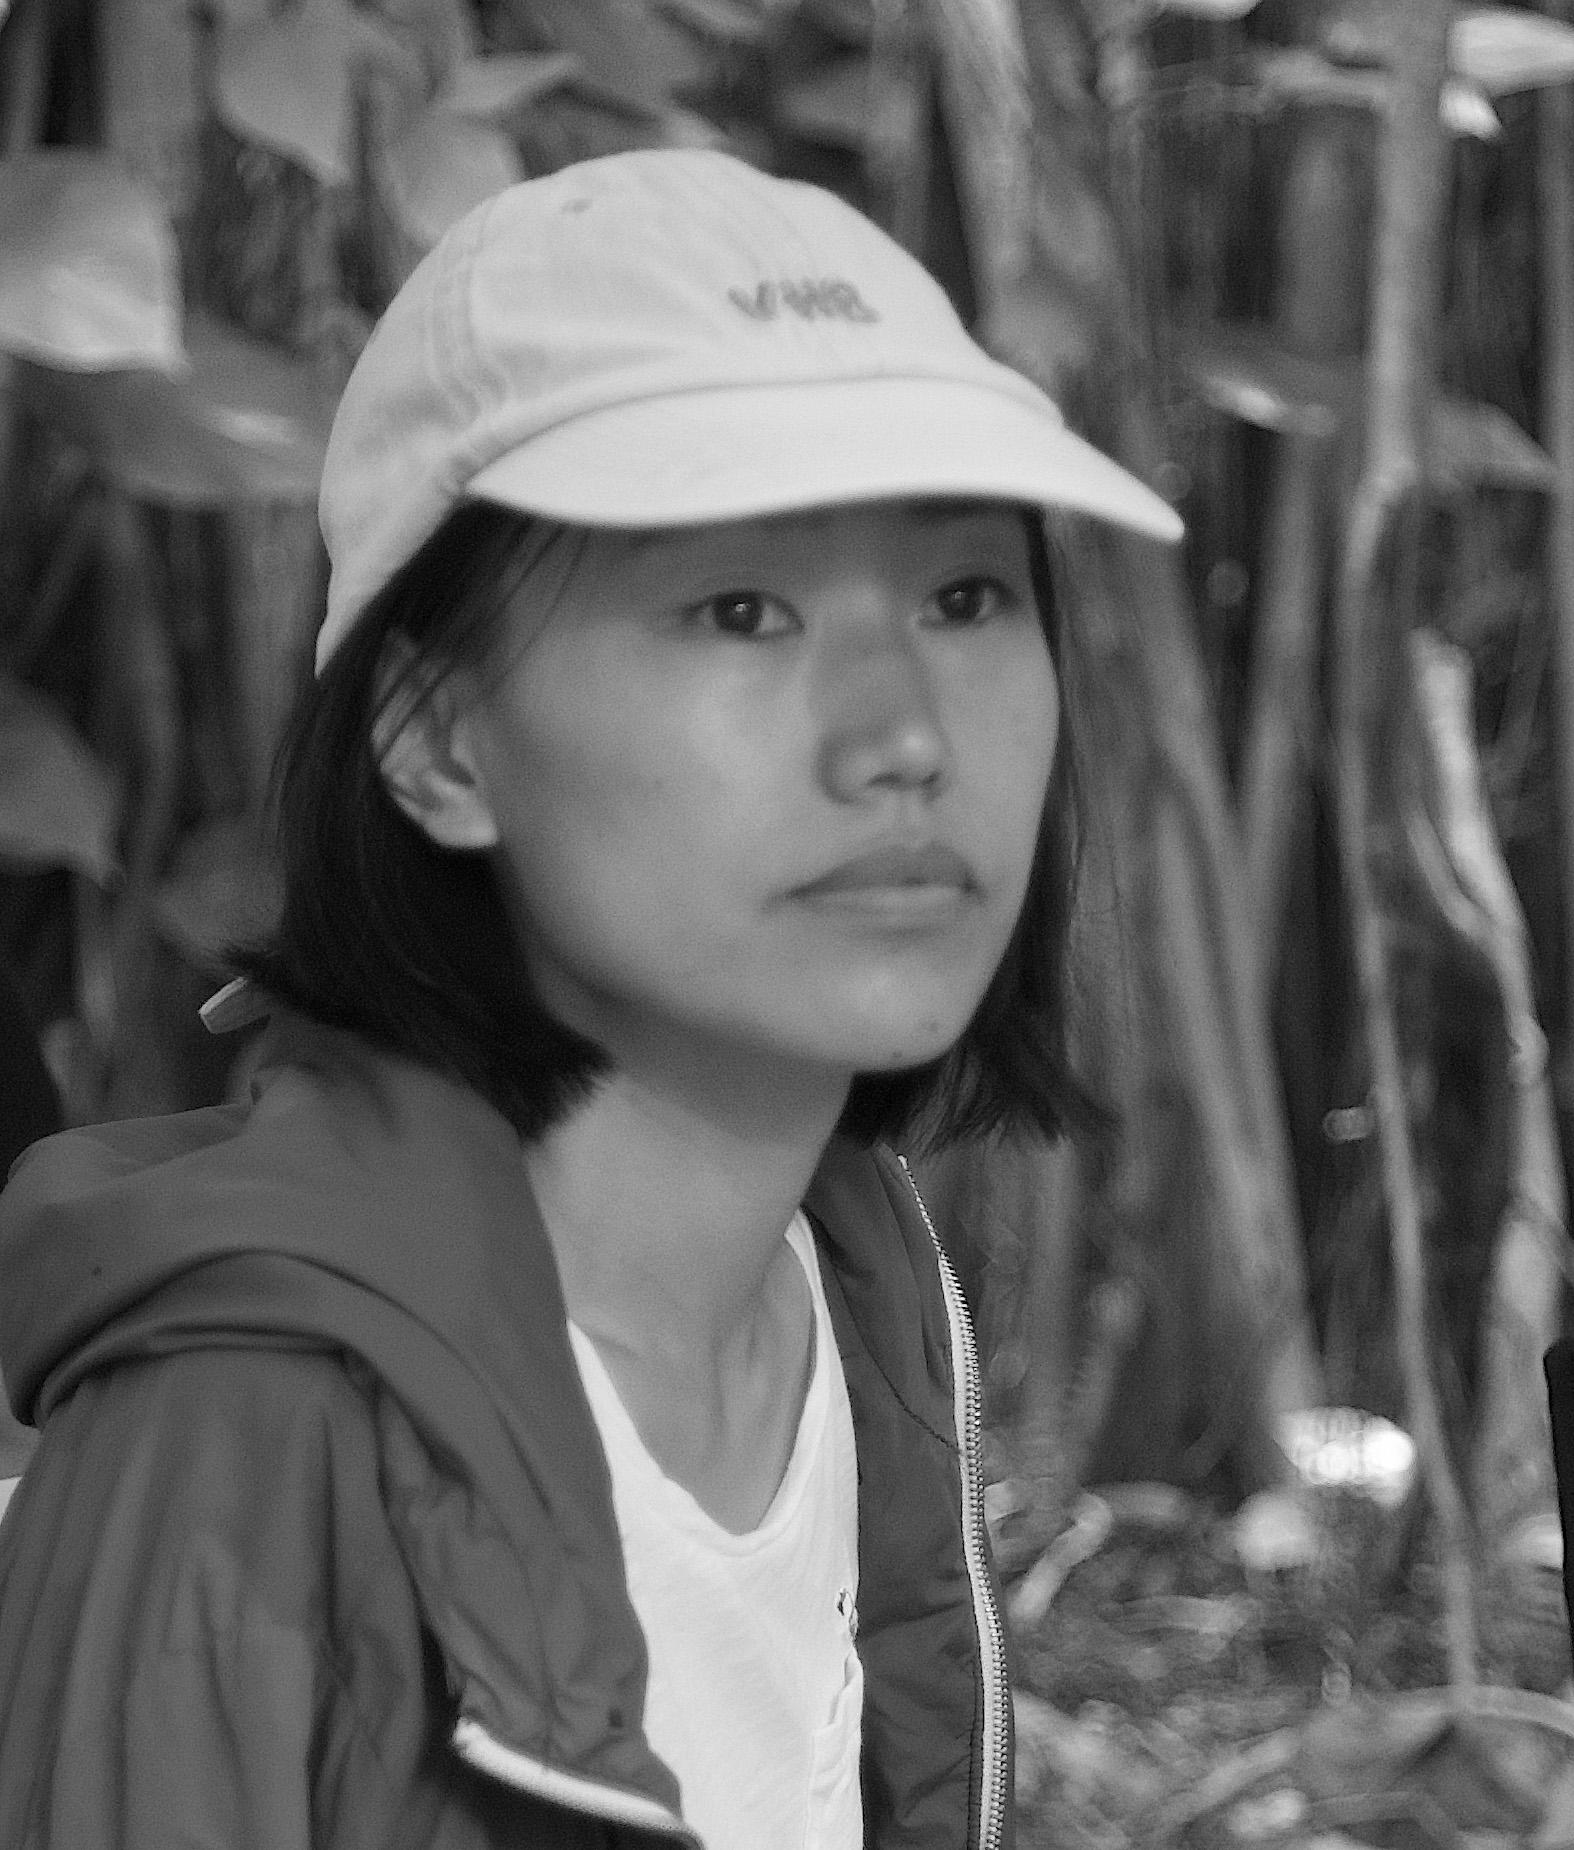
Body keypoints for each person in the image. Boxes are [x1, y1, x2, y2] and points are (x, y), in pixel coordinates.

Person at [0, 149, 1179, 1849]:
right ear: (436, 741)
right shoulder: (244, 1446)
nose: (904, 735)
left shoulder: (861, 1294)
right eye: (741, 608)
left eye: (963, 595)